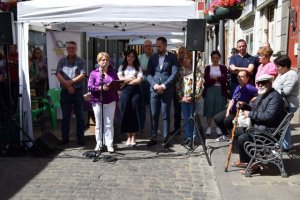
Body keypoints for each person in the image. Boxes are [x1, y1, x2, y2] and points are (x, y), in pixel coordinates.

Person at [232, 74, 286, 174]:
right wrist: (244, 105)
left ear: (270, 83)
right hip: (261, 127)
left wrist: (250, 114)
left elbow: (268, 116)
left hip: (269, 132)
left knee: (243, 138)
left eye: (263, 82)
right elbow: (254, 108)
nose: (260, 85)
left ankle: (254, 165)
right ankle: (246, 160)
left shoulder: (275, 97)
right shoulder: (263, 95)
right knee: (237, 131)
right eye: (258, 83)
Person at [146, 36, 179, 147]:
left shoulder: (173, 57)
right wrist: (155, 85)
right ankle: (153, 137)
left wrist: (164, 86)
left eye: (159, 46)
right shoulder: (153, 58)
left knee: (165, 114)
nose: (157, 48)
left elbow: (174, 74)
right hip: (154, 90)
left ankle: (166, 138)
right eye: (156, 46)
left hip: (167, 90)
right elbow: (149, 74)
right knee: (154, 114)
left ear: (165, 45)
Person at [56, 41, 86, 145]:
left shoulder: (81, 60)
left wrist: (71, 83)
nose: (71, 49)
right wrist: (67, 85)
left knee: (80, 116)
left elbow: (82, 75)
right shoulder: (62, 60)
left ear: (76, 49)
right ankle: (65, 138)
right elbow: (58, 74)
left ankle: (80, 138)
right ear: (66, 49)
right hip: (65, 91)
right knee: (65, 117)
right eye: (69, 48)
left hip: (77, 91)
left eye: (73, 48)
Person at [214, 70, 258, 142]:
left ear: (247, 78)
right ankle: (226, 135)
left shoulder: (250, 88)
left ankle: (233, 136)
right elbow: (232, 100)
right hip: (232, 110)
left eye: (242, 77)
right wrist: (228, 111)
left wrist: (251, 101)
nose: (239, 78)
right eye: (238, 76)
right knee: (217, 119)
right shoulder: (238, 87)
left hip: (239, 112)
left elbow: (260, 95)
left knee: (227, 121)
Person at [88, 52, 119, 152]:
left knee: (109, 123)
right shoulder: (94, 73)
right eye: (103, 60)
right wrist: (100, 88)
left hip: (110, 100)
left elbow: (117, 84)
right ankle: (99, 143)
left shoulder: (113, 73)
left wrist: (119, 85)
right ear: (98, 62)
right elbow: (90, 86)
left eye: (107, 60)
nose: (105, 62)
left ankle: (109, 144)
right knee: (98, 124)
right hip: (97, 101)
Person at [176, 51, 203, 146]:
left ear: (191, 60)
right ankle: (188, 137)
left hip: (194, 99)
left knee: (193, 118)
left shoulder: (197, 71)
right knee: (187, 118)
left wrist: (193, 97)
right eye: (184, 58)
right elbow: (177, 86)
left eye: (187, 58)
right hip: (183, 99)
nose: (185, 60)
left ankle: (194, 138)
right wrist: (181, 96)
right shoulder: (180, 71)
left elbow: (200, 86)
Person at [273, 55, 299, 151]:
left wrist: (272, 91)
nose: (277, 68)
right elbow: (274, 86)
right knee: (282, 125)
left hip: (289, 104)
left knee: (284, 125)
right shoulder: (281, 74)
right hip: (281, 103)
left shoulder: (292, 74)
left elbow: (286, 91)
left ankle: (285, 146)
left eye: (279, 66)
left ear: (286, 66)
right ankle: (282, 144)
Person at [118, 49, 143, 146]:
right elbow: (120, 79)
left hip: (135, 92)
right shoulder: (122, 67)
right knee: (126, 113)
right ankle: (128, 136)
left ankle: (134, 137)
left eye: (132, 56)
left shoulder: (138, 68)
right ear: (126, 57)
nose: (130, 58)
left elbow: (139, 80)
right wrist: (131, 79)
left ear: (135, 58)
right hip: (125, 92)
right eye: (128, 56)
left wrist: (126, 82)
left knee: (135, 112)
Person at [202, 50, 227, 136]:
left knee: (219, 109)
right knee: (209, 108)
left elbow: (224, 79)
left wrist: (214, 78)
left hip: (220, 90)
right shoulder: (208, 68)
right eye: (213, 58)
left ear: (219, 58)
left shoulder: (223, 68)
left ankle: (218, 127)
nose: (215, 59)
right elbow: (207, 80)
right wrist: (218, 78)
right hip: (210, 90)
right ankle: (209, 127)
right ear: (211, 59)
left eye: (217, 58)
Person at [138, 39, 153, 131]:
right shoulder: (140, 57)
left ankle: (154, 127)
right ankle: (141, 127)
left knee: (153, 107)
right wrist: (148, 70)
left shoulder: (155, 57)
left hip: (152, 84)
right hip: (143, 84)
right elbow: (137, 70)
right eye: (146, 46)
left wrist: (145, 70)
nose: (148, 48)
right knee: (142, 107)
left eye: (150, 46)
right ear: (144, 48)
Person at [171, 46, 186, 135]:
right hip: (176, 90)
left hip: (187, 90)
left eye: (182, 52)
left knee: (186, 111)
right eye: (179, 53)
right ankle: (177, 129)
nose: (180, 54)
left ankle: (188, 131)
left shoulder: (188, 63)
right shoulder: (175, 63)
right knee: (177, 111)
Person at [7, 45, 19, 111]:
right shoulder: (7, 56)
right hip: (9, 79)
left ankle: (15, 109)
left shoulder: (19, 55)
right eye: (9, 47)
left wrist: (13, 63)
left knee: (15, 95)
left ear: (15, 48)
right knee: (10, 95)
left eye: (12, 47)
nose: (10, 49)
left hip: (17, 79)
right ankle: (11, 109)